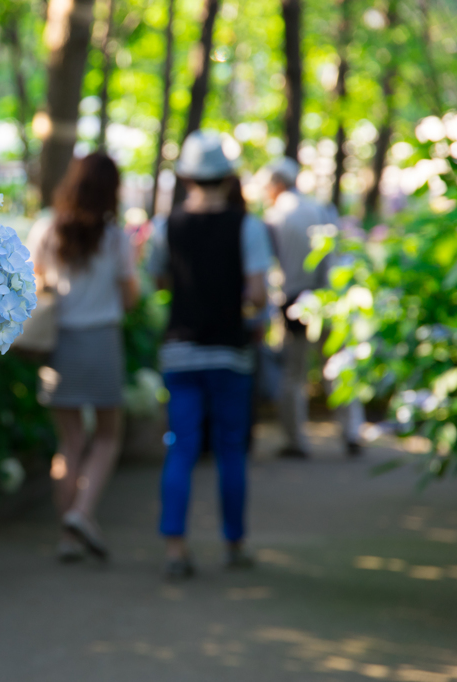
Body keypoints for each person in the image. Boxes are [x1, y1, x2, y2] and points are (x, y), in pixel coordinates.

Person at [147, 130, 272, 580]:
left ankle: (175, 548)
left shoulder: (166, 226)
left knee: (179, 448)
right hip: (229, 352)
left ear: (186, 177)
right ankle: (234, 543)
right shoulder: (248, 225)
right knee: (230, 450)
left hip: (179, 351)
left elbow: (157, 280)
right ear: (227, 177)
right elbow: (258, 294)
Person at [27, 152, 140, 562]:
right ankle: (82, 512)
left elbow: (34, 284)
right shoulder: (115, 238)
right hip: (103, 342)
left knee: (70, 442)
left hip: (60, 344)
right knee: (108, 436)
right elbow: (130, 298)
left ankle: (68, 537)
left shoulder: (46, 228)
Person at [263, 158, 363, 458]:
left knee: (293, 373)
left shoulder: (274, 216)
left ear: (277, 184)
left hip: (292, 298)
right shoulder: (320, 208)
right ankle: (352, 431)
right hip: (328, 296)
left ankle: (296, 440)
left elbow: (271, 262)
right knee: (336, 366)